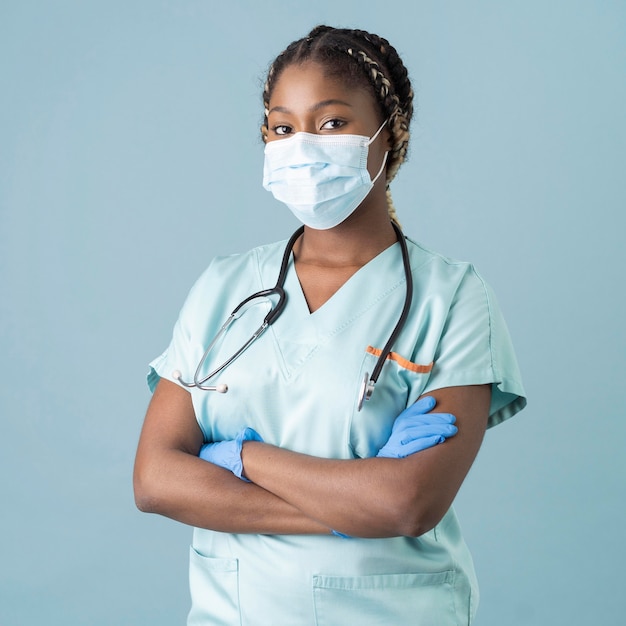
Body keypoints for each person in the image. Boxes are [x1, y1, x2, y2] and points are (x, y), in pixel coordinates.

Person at [134, 25, 526, 625]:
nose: (302, 145)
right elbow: (156, 480)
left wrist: (241, 458)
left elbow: (407, 503)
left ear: (389, 135)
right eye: (283, 127)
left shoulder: (452, 297)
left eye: (333, 122)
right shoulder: (225, 287)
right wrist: (355, 502)